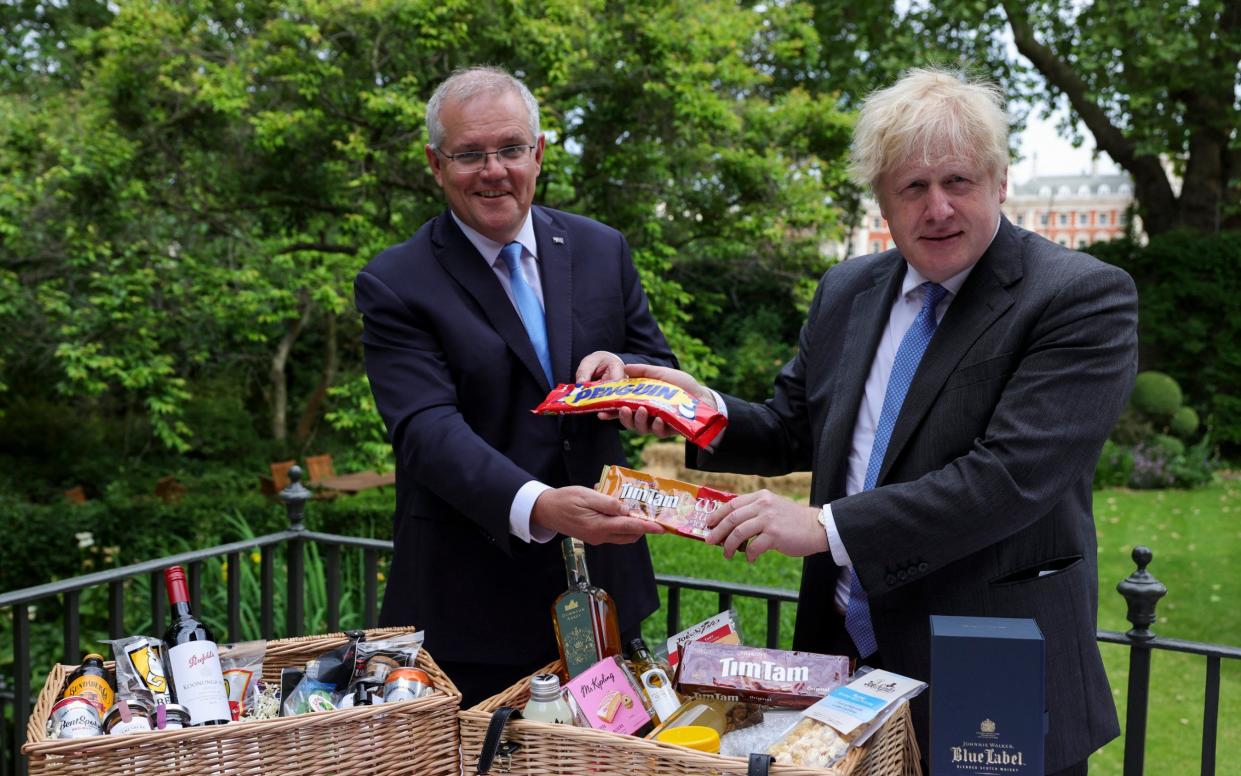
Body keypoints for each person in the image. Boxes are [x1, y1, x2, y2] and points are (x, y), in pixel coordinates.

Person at [589, 67, 1133, 774]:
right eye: (912, 187)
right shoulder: (847, 289)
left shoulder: (1077, 296)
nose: (937, 208)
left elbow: (1008, 479)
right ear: (881, 197)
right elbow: (793, 425)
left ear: (999, 182)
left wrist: (823, 527)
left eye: (958, 182)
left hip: (987, 654)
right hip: (845, 658)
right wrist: (698, 410)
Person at [356, 66, 675, 707]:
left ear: (538, 152)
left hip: (609, 597)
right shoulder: (396, 281)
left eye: (508, 148)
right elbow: (424, 430)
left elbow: (655, 365)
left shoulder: (601, 248)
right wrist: (539, 506)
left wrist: (628, 379)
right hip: (472, 612)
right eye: (469, 154)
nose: (493, 169)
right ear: (435, 164)